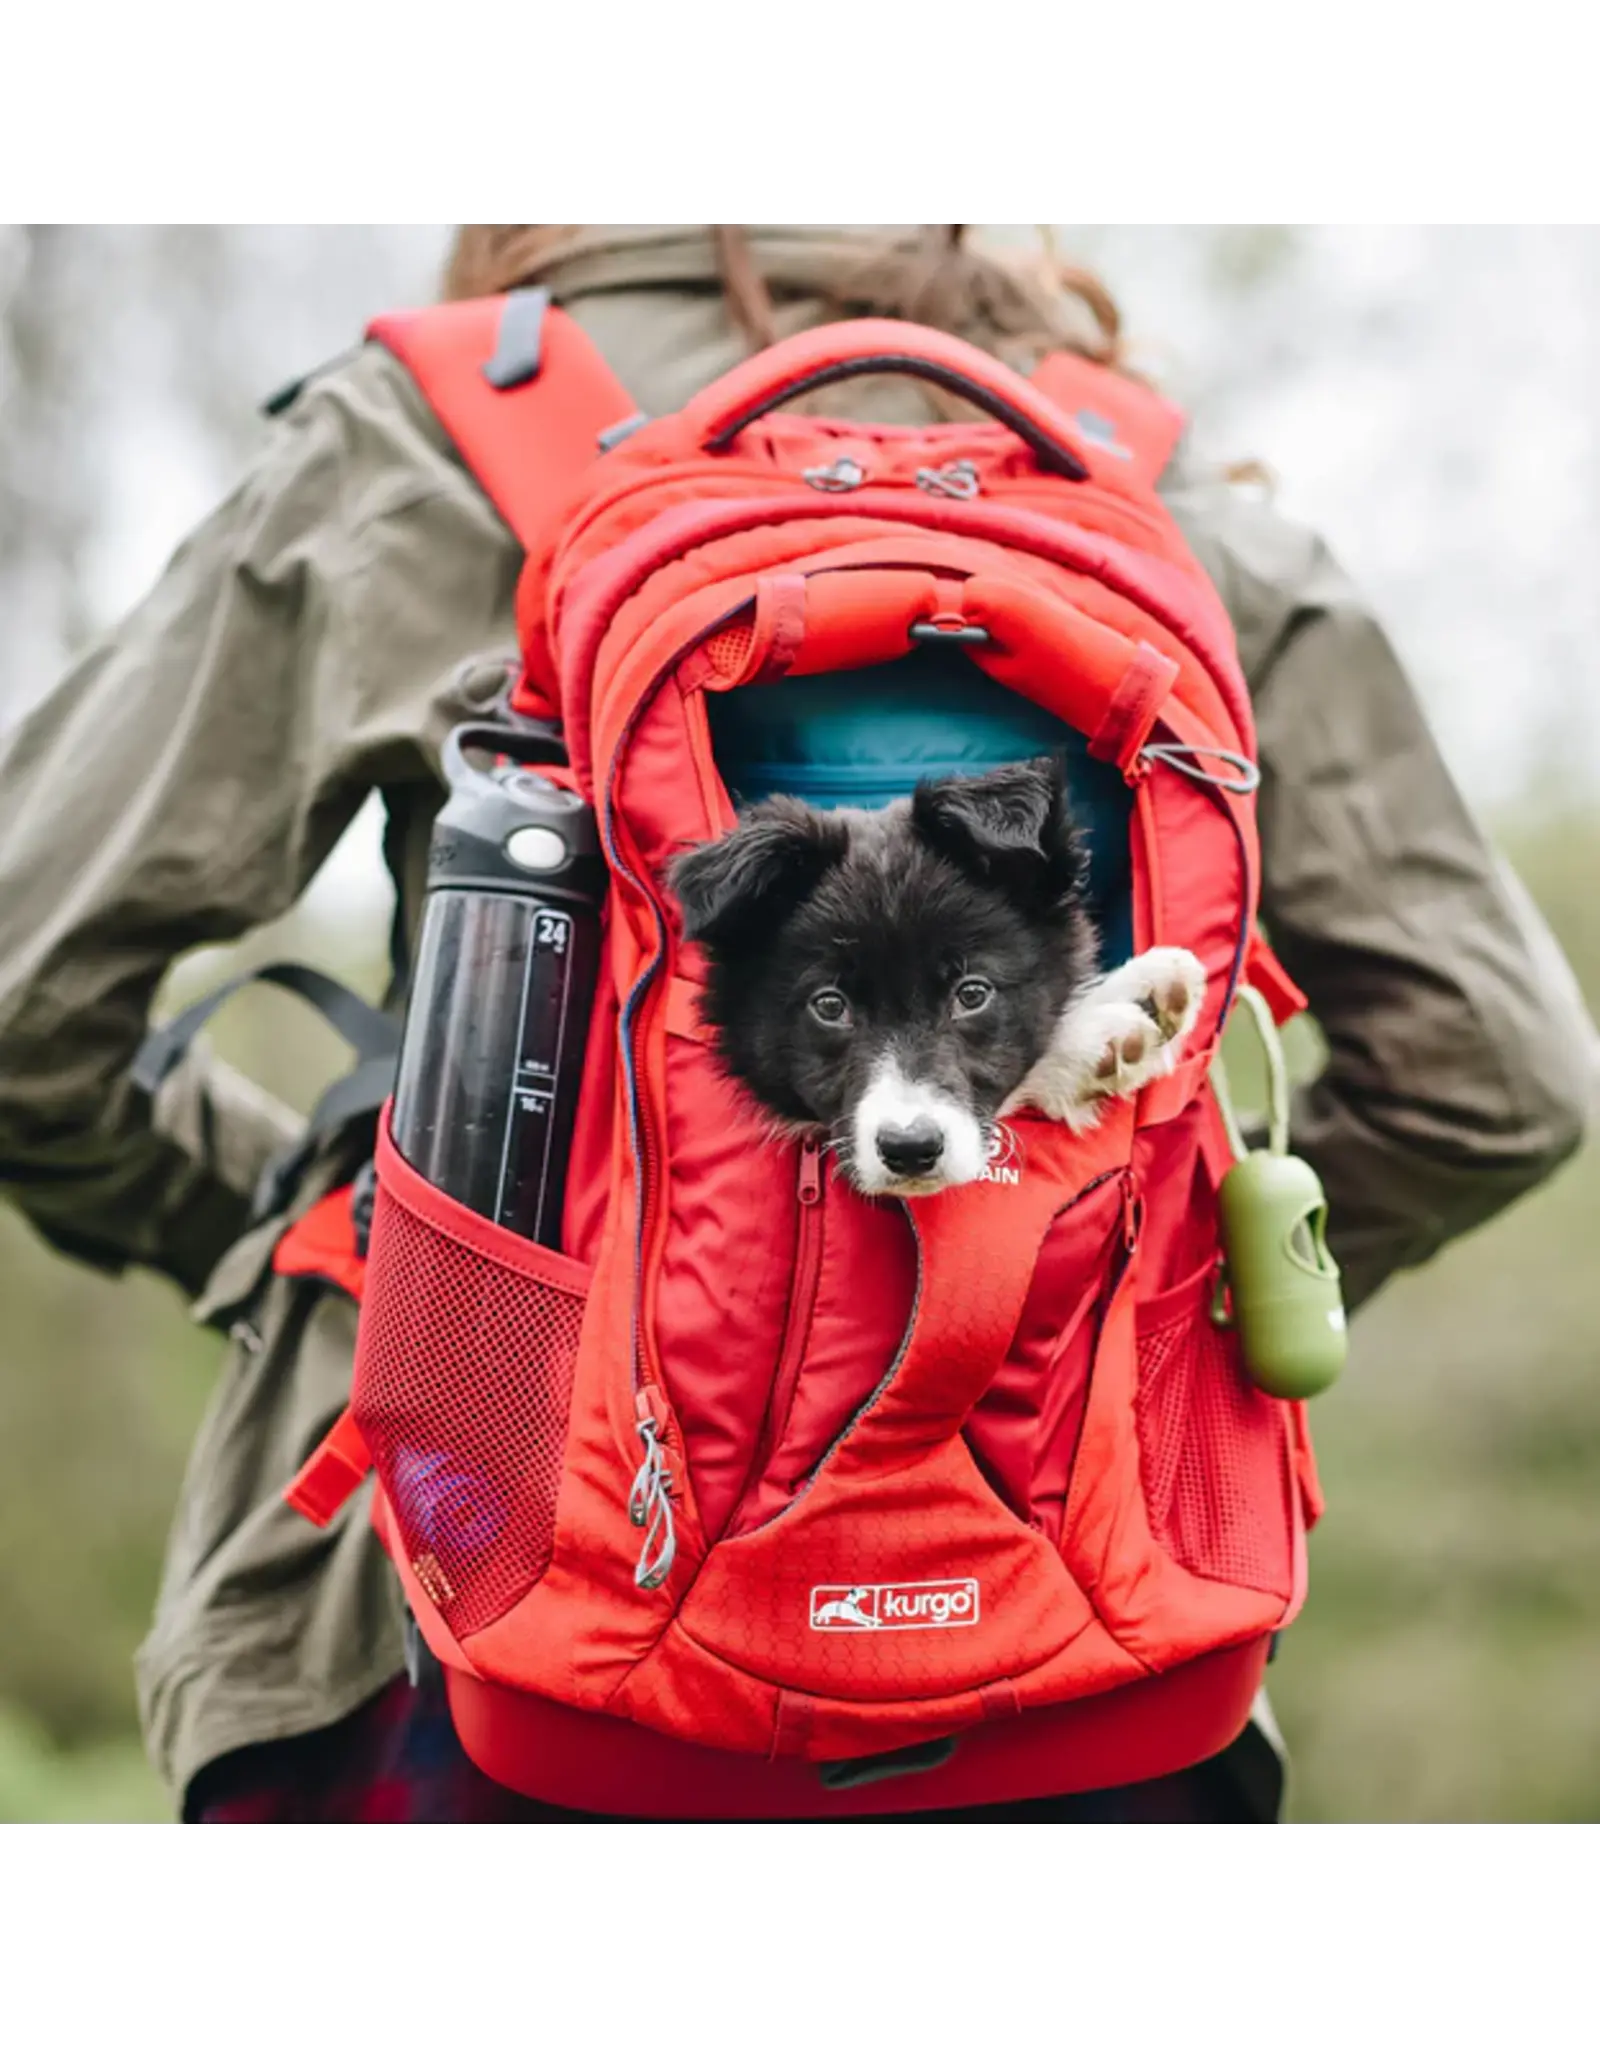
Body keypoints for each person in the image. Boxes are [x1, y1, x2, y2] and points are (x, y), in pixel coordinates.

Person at [0, 223, 1592, 1827]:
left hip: (466, 1613)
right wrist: (1146, 1293)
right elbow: (1498, 1077)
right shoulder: (1153, 503)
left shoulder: (412, 445)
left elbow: (20, 1004)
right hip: (1089, 1644)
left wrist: (402, 1276)